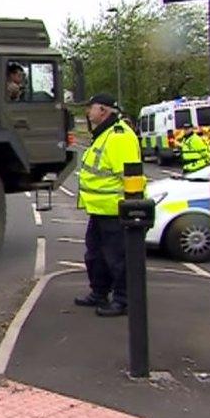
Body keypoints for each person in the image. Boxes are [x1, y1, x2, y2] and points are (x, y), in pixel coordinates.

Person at [75, 93, 141, 317]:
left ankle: (123, 300)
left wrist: (131, 210)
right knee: (96, 256)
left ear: (103, 111)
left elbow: (129, 176)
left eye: (91, 108)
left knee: (118, 259)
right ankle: (99, 293)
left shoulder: (119, 136)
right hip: (100, 210)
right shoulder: (104, 134)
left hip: (115, 210)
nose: (88, 112)